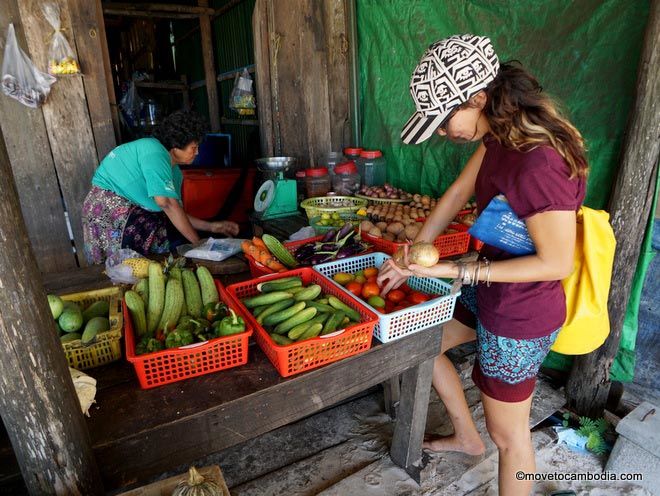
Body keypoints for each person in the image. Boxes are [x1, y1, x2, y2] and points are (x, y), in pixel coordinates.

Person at [378, 35, 587, 496]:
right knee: (421, 342)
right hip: (491, 285)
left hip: (522, 311)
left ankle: (487, 447)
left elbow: (556, 263)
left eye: (444, 120)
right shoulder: (499, 137)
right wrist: (414, 254)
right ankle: (466, 438)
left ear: (478, 98)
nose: (442, 132)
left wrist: (456, 271)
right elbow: (456, 192)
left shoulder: (538, 163)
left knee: (510, 438)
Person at [82, 110, 239, 264]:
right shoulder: (154, 151)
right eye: (194, 147)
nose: (197, 152)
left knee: (148, 267)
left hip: (135, 213)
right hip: (109, 210)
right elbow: (166, 203)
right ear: (176, 145)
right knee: (120, 269)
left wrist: (212, 227)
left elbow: (175, 212)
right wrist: (198, 244)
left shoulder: (175, 172)